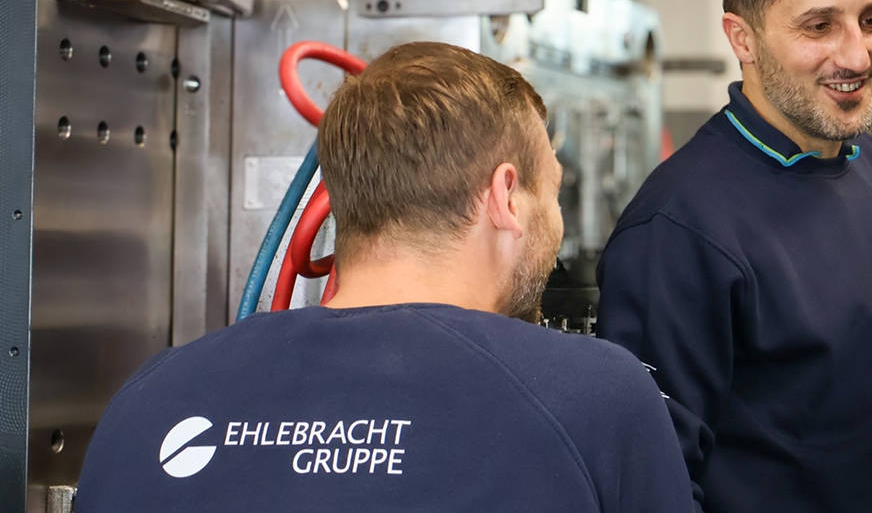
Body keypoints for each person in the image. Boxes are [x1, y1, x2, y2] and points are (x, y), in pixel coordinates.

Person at [75, 42, 690, 512]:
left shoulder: (156, 395)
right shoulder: (596, 397)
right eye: (553, 192)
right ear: (505, 195)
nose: (555, 225)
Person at [597, 0, 872, 513]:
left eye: (871, 19)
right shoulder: (680, 229)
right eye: (819, 26)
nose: (857, 55)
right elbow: (649, 483)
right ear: (744, 38)